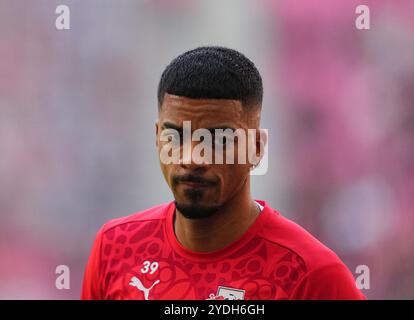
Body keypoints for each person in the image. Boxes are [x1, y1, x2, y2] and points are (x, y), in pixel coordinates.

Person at [81, 46, 365, 300]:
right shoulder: (115, 248)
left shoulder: (310, 275)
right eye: (176, 137)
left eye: (218, 140)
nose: (192, 158)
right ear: (157, 137)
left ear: (256, 148)